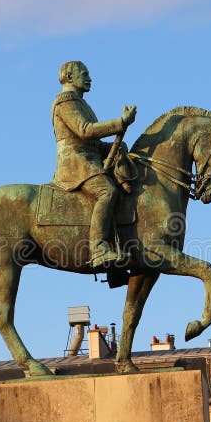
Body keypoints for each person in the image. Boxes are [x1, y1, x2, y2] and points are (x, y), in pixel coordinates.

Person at [51, 60, 136, 268]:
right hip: (75, 164)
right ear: (70, 77)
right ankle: (98, 249)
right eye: (84, 73)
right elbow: (85, 131)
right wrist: (120, 123)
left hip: (89, 159)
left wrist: (117, 147)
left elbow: (93, 143)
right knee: (107, 191)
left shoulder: (81, 103)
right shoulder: (65, 102)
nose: (89, 78)